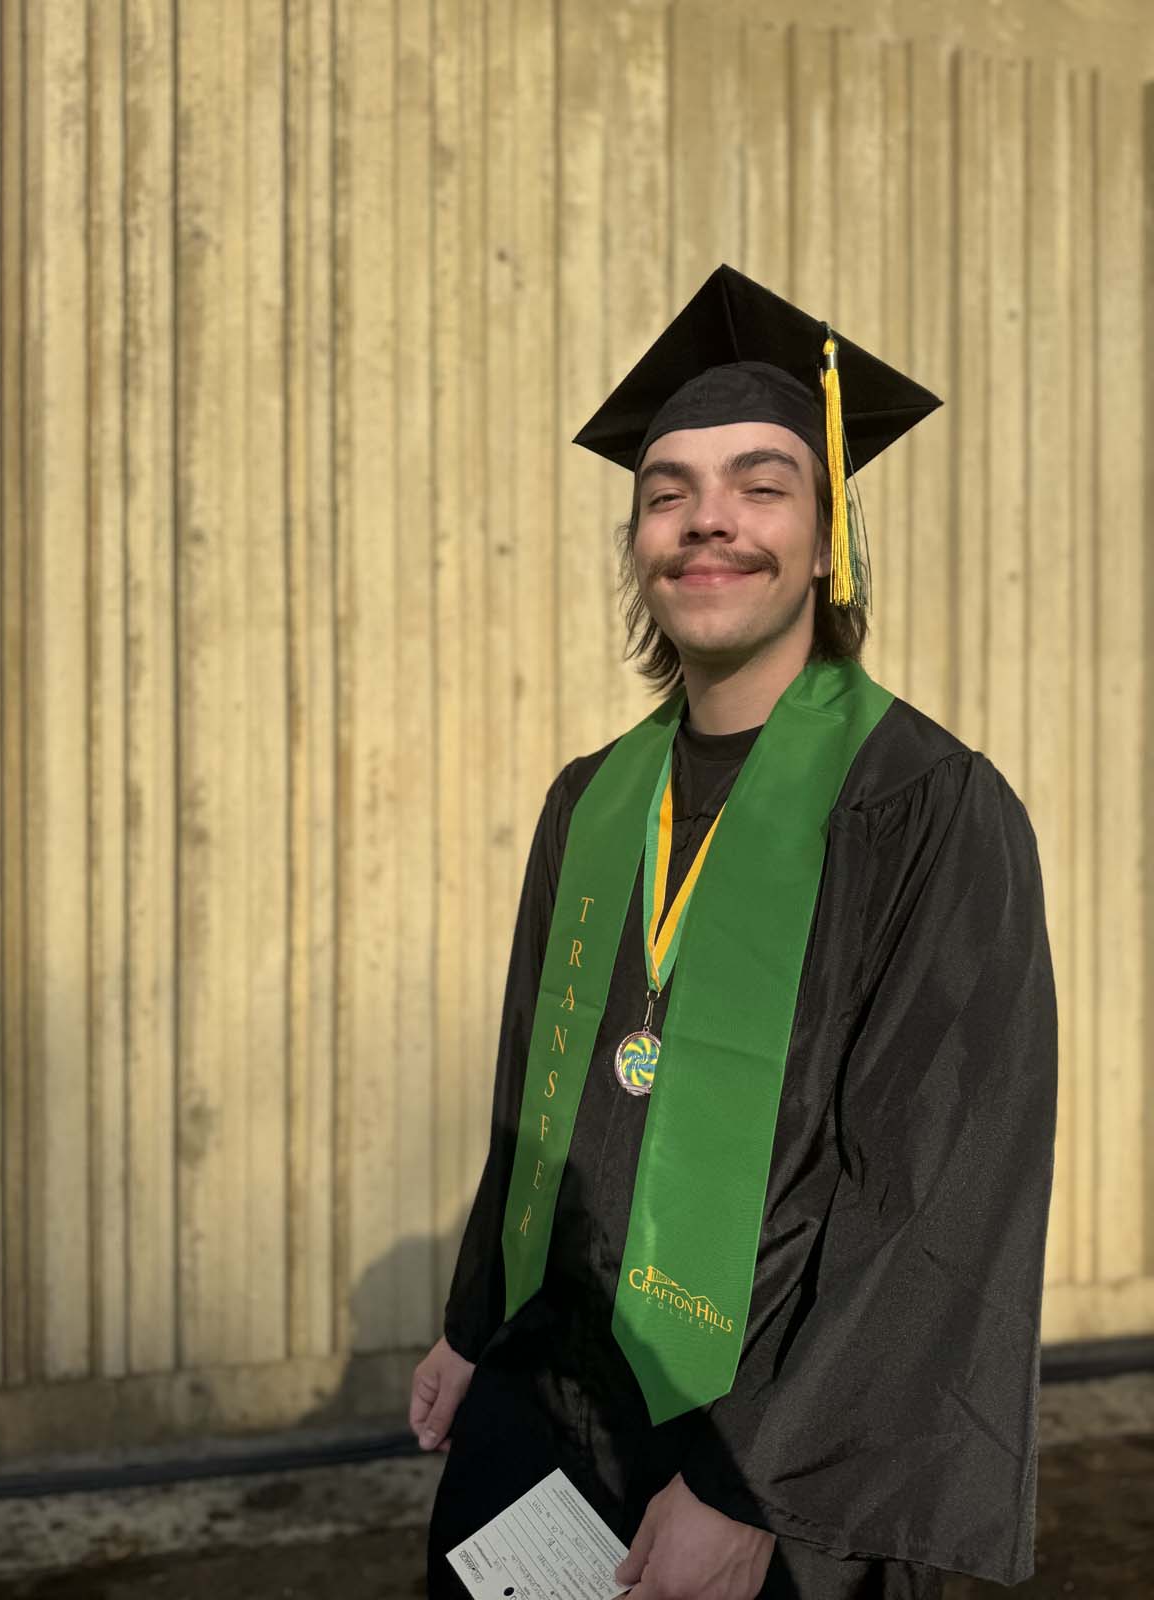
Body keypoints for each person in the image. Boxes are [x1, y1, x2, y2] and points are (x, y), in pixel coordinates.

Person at [412, 265, 1058, 1599]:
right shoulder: (593, 801)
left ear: (826, 543)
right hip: (547, 1404)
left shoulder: (925, 808)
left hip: (766, 1443)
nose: (707, 520)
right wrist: (475, 1323)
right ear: (639, 546)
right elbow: (536, 1099)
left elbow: (934, 1197)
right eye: (668, 494)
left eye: (761, 486)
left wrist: (752, 1482)